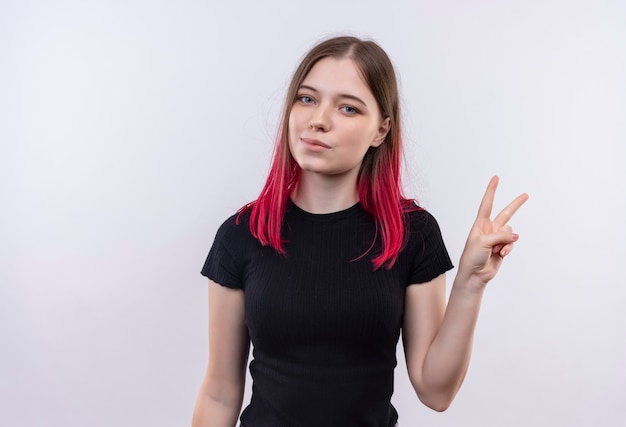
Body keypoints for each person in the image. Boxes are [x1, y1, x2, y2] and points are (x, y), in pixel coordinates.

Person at [191, 35, 528, 427]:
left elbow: (436, 392)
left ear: (381, 131)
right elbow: (219, 394)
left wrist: (471, 282)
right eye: (307, 98)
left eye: (348, 108)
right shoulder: (242, 234)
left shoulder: (412, 233)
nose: (319, 119)